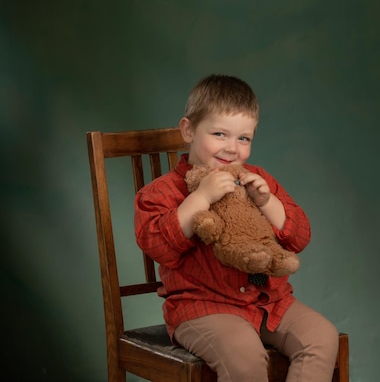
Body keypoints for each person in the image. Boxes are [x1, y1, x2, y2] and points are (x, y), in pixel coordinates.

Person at [134, 74, 339, 382]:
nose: (232, 149)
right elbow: (157, 246)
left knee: (322, 336)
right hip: (204, 308)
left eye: (243, 138)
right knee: (245, 359)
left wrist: (267, 203)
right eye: (219, 134)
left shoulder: (257, 179)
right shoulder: (160, 193)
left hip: (269, 303)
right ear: (188, 130)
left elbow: (299, 237)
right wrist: (201, 197)